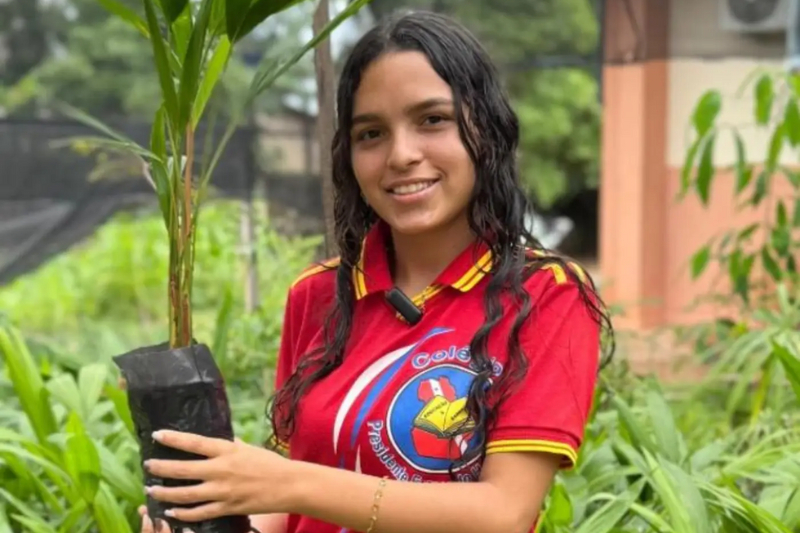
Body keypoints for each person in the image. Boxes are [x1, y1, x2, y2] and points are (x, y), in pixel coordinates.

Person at [139, 9, 613, 533]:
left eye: (432, 120)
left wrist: (285, 481)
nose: (402, 155)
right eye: (371, 134)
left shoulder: (545, 296)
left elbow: (503, 513)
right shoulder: (317, 293)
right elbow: (282, 506)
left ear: (486, 129)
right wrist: (219, 509)